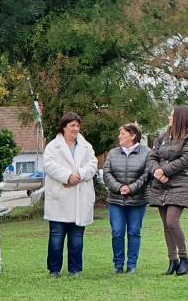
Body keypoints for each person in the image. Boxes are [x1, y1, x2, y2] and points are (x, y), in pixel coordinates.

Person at [42, 112, 98, 277]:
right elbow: (48, 165)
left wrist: (79, 174)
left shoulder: (86, 146)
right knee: (56, 238)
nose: (75, 129)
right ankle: (54, 269)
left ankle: (75, 269)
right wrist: (67, 176)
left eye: (77, 126)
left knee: (76, 238)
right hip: (60, 198)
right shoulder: (53, 146)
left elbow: (93, 163)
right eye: (72, 125)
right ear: (64, 127)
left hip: (80, 197)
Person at [148, 105, 188, 276]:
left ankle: (184, 258)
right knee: (166, 225)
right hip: (160, 184)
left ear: (180, 117)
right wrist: (156, 171)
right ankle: (172, 260)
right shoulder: (164, 136)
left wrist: (165, 170)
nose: (169, 118)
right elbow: (152, 156)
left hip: (179, 183)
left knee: (172, 222)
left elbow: (185, 160)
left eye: (171, 115)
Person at [103, 123, 151, 273]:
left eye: (123, 134)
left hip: (138, 200)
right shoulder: (113, 153)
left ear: (133, 135)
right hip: (116, 200)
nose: (120, 136)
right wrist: (118, 187)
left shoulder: (147, 153)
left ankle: (131, 265)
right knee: (117, 232)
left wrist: (132, 188)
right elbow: (106, 172)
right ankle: (118, 265)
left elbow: (147, 174)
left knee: (134, 232)